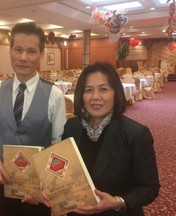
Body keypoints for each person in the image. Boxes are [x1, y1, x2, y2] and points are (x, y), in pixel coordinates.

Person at [50, 61, 160, 216]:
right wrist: (51, 189)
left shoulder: (136, 134)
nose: (95, 97)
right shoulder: (72, 126)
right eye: (88, 90)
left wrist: (117, 202)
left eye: (103, 89)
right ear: (81, 95)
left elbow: (149, 188)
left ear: (116, 93)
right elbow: (64, 171)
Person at [0, 22, 66, 216]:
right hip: (6, 177)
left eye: (31, 51)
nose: (23, 57)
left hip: (39, 184)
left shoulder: (54, 94)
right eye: (18, 50)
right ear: (10, 51)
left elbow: (58, 142)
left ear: (41, 55)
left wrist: (49, 182)